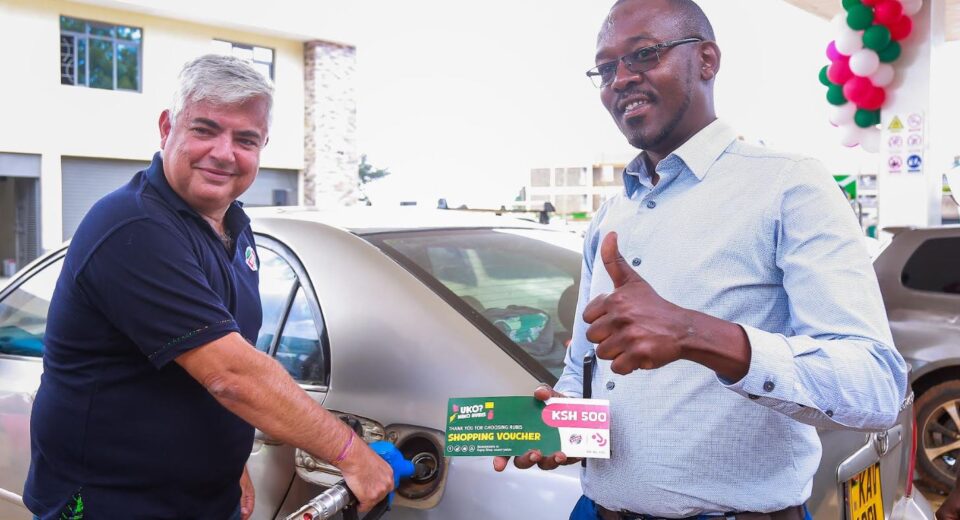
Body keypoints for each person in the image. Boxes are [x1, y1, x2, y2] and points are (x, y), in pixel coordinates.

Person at [493, 0, 909, 518]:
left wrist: (694, 334)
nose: (620, 79)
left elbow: (876, 386)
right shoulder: (609, 215)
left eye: (643, 55)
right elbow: (582, 371)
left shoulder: (788, 185)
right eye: (605, 68)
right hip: (597, 508)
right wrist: (565, 423)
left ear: (706, 60)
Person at [24, 55, 393, 520]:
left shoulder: (234, 229)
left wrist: (227, 452)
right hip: (109, 502)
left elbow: (215, 356)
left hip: (197, 501)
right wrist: (350, 453)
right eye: (205, 130)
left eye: (246, 139)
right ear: (166, 128)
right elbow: (231, 375)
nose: (224, 152)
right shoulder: (132, 226)